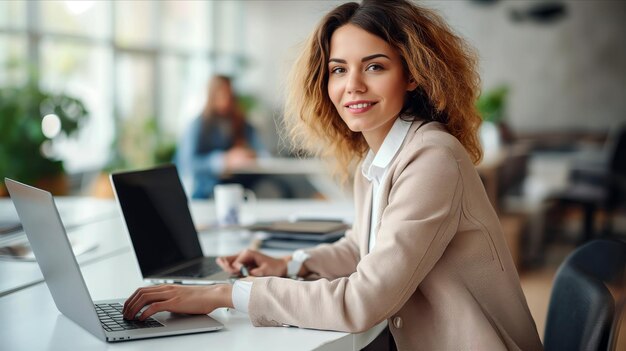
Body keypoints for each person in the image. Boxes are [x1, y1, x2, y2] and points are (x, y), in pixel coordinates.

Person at [124, 1, 543, 349]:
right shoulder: (378, 159)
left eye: (374, 67)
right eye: (339, 69)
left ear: (412, 74)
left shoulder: (433, 159)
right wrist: (288, 264)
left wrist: (222, 294)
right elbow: (365, 246)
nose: (352, 85)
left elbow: (363, 300)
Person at [174, 75, 268, 198]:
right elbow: (188, 164)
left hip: (234, 184)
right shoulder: (198, 125)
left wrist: (248, 154)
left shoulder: (238, 122)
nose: (226, 100)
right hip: (203, 189)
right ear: (212, 96)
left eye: (230, 94)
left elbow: (262, 151)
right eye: (222, 94)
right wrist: (224, 160)